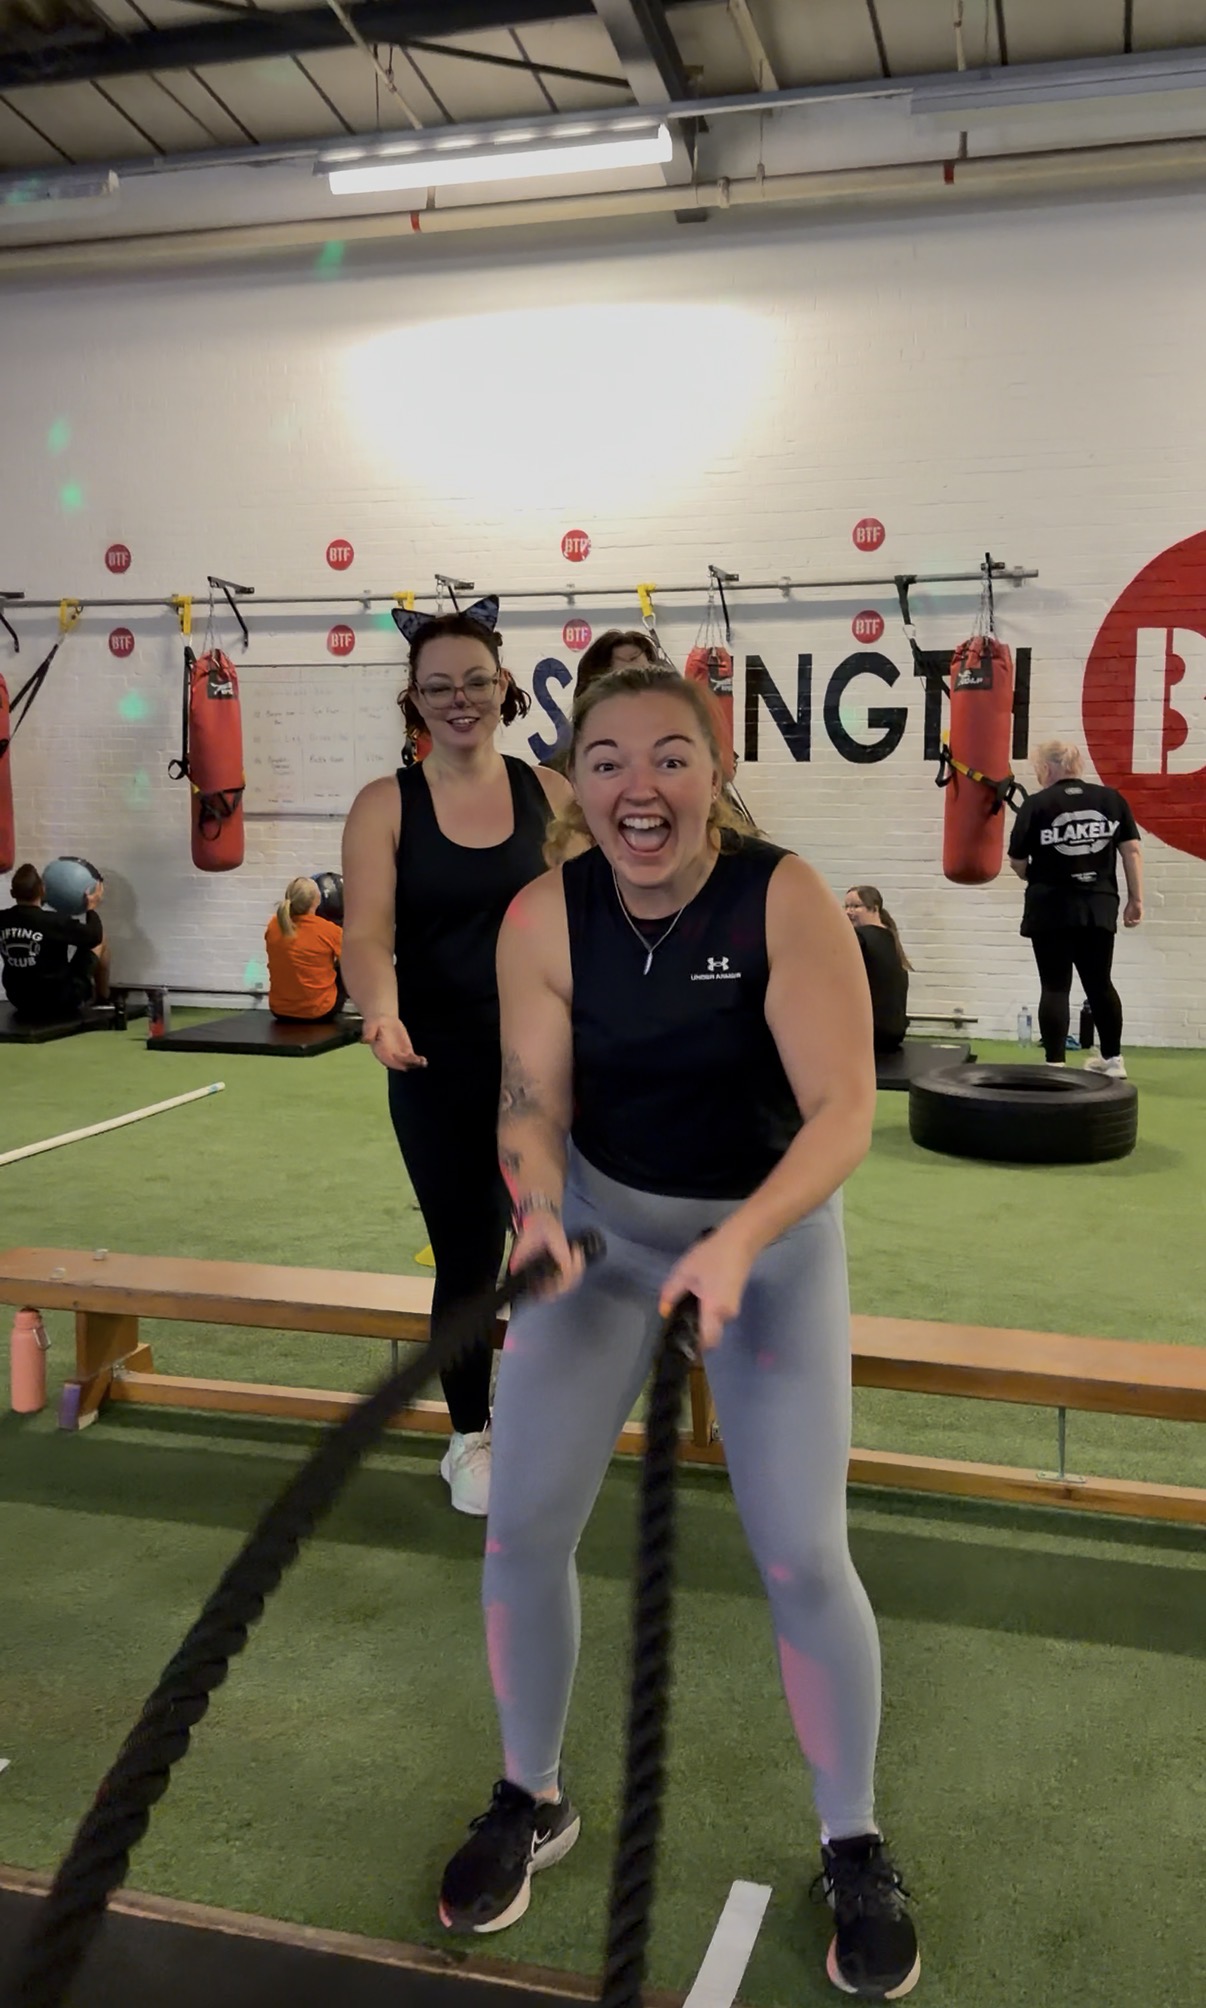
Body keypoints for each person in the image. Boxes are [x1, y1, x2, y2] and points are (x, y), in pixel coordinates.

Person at [438, 666, 920, 2002]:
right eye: (604, 761)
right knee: (521, 1523)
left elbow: (838, 1114)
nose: (635, 789)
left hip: (761, 1246)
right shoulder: (544, 915)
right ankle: (529, 1793)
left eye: (666, 759)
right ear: (574, 781)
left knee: (801, 1556)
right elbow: (530, 1101)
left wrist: (739, 1241)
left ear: (712, 773)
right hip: (597, 1242)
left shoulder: (782, 899)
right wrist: (535, 1210)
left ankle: (853, 1838)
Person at [340, 600, 573, 1517]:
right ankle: (471, 1438)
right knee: (469, 1257)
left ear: (503, 684)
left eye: (475, 680)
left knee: (548, 1250)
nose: (459, 699)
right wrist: (382, 1014)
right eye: (438, 686)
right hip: (434, 1063)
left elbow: (586, 919)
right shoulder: (384, 805)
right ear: (415, 698)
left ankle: (545, 1417)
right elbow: (364, 935)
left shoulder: (549, 795)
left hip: (542, 1063)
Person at [1007, 740, 1142, 1077]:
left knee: (1054, 985)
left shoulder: (1037, 804)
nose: (1038, 775)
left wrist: (1033, 873)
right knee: (1099, 983)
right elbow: (1132, 852)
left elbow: (1017, 861)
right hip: (1098, 903)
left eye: (1039, 768)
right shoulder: (1111, 800)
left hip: (1051, 905)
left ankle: (1055, 1063)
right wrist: (1135, 899)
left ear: (1049, 769)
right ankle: (1113, 1061)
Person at [0, 862, 110, 1022]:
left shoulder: (2, 919)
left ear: (12, 893)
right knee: (102, 941)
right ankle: (103, 1000)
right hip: (60, 999)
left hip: (19, 999)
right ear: (42, 891)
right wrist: (91, 908)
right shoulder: (53, 922)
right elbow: (95, 936)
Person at [264, 876, 345, 1022]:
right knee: (350, 970)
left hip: (280, 1010)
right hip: (319, 1012)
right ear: (317, 900)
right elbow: (353, 967)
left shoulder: (273, 925)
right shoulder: (330, 931)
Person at [842, 887, 911, 1055]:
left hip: (871, 1035)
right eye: (846, 906)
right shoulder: (890, 937)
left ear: (874, 908)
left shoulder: (860, 936)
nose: (849, 912)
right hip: (895, 1033)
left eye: (856, 906)